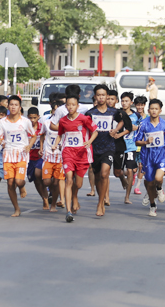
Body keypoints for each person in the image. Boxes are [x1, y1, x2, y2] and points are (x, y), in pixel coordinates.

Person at [51, 93, 98, 222]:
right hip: (68, 153)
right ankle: (68, 211)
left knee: (78, 183)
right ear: (65, 106)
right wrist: (56, 145)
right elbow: (60, 134)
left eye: (73, 105)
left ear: (77, 106)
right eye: (68, 105)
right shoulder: (63, 120)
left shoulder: (84, 119)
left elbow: (95, 131)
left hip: (82, 154)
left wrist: (89, 141)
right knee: (69, 179)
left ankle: (75, 197)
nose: (71, 107)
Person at [86, 84, 123, 216]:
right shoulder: (90, 113)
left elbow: (123, 121)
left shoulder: (113, 112)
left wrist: (116, 130)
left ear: (107, 96)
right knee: (97, 176)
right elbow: (85, 129)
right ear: (95, 96)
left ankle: (100, 203)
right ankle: (100, 200)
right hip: (95, 148)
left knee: (104, 174)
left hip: (109, 147)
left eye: (104, 95)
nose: (101, 97)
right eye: (99, 95)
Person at [0, 95, 36, 217]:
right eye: (11, 105)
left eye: (16, 105)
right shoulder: (2, 122)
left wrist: (29, 146)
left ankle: (22, 186)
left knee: (18, 181)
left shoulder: (26, 122)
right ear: (8, 106)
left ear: (19, 107)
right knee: (10, 183)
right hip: (8, 154)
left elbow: (33, 135)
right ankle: (17, 208)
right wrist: (0, 141)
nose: (13, 107)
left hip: (21, 155)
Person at [135, 99, 165, 217]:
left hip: (162, 156)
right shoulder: (143, 124)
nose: (154, 111)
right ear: (148, 110)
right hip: (148, 157)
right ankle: (152, 205)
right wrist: (145, 142)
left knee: (158, 177)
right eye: (152, 109)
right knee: (150, 184)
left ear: (160, 110)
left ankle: (159, 188)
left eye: (156, 109)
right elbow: (137, 142)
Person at [107, 89, 132, 205]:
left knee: (117, 173)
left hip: (118, 145)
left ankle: (122, 177)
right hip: (105, 145)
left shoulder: (121, 114)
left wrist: (118, 134)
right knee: (104, 172)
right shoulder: (100, 112)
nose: (110, 101)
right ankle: (105, 197)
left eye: (112, 99)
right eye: (108, 98)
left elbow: (129, 128)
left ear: (116, 101)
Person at [40, 98, 65, 212]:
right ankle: (48, 194)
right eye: (55, 111)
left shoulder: (66, 124)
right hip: (48, 155)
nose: (57, 113)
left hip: (60, 157)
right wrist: (41, 148)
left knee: (56, 183)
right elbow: (41, 134)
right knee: (47, 182)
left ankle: (54, 205)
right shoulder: (46, 123)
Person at [26, 107, 49, 209]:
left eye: (34, 118)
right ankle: (44, 198)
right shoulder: (25, 128)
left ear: (38, 117)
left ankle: (48, 196)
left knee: (38, 174)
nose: (32, 120)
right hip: (29, 157)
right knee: (36, 180)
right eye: (30, 118)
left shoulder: (42, 127)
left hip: (41, 156)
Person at [120, 92, 140, 204]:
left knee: (130, 171)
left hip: (131, 147)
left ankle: (127, 197)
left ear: (131, 102)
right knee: (118, 172)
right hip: (119, 146)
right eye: (122, 101)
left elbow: (141, 129)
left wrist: (136, 128)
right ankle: (123, 179)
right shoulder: (118, 114)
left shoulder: (136, 116)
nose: (124, 103)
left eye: (126, 101)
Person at [132, 96, 147, 195]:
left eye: (142, 105)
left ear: (145, 105)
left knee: (141, 165)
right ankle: (133, 174)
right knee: (133, 168)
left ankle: (137, 187)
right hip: (133, 144)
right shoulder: (133, 116)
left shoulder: (148, 118)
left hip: (143, 145)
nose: (140, 107)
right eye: (138, 105)